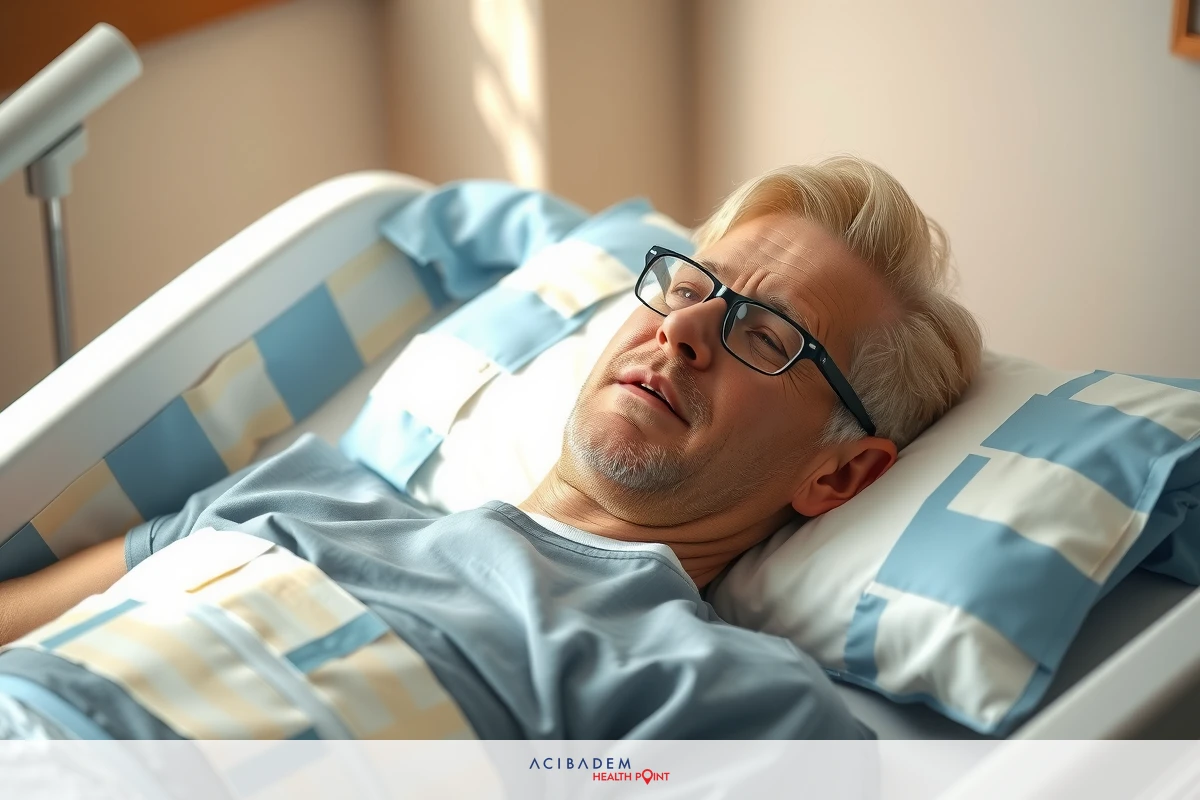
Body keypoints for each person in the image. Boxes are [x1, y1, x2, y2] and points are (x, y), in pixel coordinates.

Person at [0, 156, 982, 739]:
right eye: (690, 287)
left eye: (768, 334)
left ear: (841, 470)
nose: (686, 332)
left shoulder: (722, 698)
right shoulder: (307, 488)